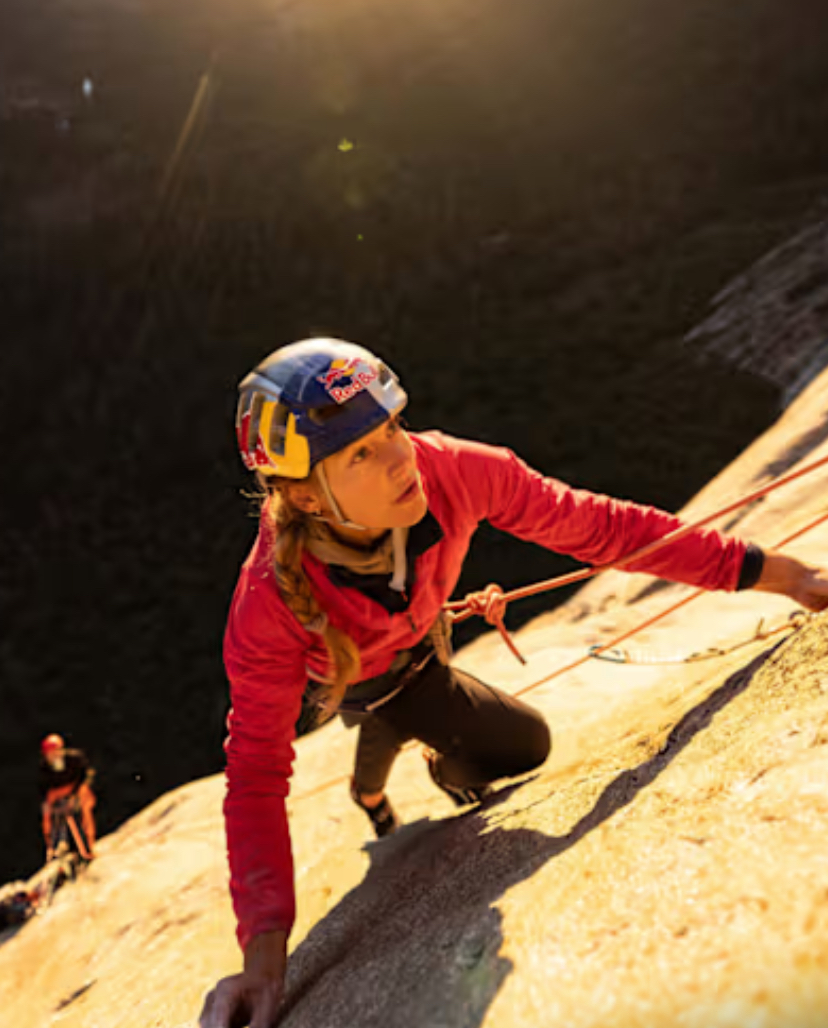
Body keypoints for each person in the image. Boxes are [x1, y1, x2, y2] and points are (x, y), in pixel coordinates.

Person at [200, 337, 828, 1028]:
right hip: (368, 682)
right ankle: (398, 745)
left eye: (392, 428)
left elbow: (604, 529)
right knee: (482, 735)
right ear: (305, 497)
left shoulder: (455, 470)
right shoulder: (266, 604)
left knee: (515, 743)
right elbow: (255, 773)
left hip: (424, 641)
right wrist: (263, 960)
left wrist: (783, 575)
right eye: (359, 454)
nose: (400, 458)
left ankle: (420, 746)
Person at [39, 734, 97, 862]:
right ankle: (55, 848)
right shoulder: (44, 768)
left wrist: (77, 790)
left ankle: (87, 848)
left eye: (56, 751)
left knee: (82, 812)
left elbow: (87, 775)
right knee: (52, 816)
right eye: (49, 753)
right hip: (61, 796)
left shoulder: (75, 759)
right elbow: (45, 789)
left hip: (79, 791)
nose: (53, 755)